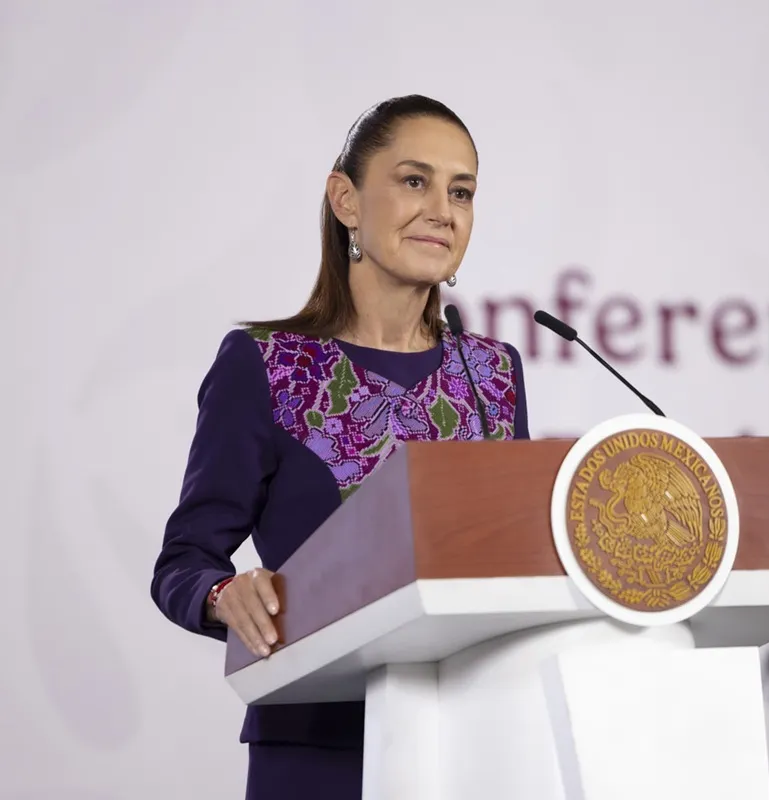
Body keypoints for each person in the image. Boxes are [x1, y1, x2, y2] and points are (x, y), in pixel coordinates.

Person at [150, 95, 530, 799]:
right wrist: (224, 593)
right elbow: (184, 563)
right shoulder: (266, 364)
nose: (442, 211)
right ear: (345, 200)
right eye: (414, 181)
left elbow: (513, 561)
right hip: (319, 747)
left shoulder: (493, 374)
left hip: (475, 744)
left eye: (462, 192)